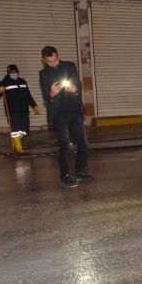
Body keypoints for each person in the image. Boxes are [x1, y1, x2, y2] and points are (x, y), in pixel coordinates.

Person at [39, 46, 91, 187]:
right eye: (50, 62)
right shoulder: (43, 74)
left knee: (83, 143)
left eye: (55, 60)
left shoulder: (69, 65)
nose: (54, 64)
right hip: (58, 114)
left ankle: (79, 171)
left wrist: (75, 89)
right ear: (44, 60)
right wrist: (51, 94)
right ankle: (65, 175)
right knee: (64, 144)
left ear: (58, 55)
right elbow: (46, 96)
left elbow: (78, 84)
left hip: (74, 110)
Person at [0, 64, 40, 153]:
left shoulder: (23, 81)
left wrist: (34, 106)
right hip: (12, 111)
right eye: (11, 72)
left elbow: (28, 95)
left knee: (25, 129)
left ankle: (16, 141)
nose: (13, 73)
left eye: (15, 72)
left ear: (18, 72)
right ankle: (18, 147)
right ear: (8, 73)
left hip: (24, 110)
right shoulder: (4, 82)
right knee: (15, 131)